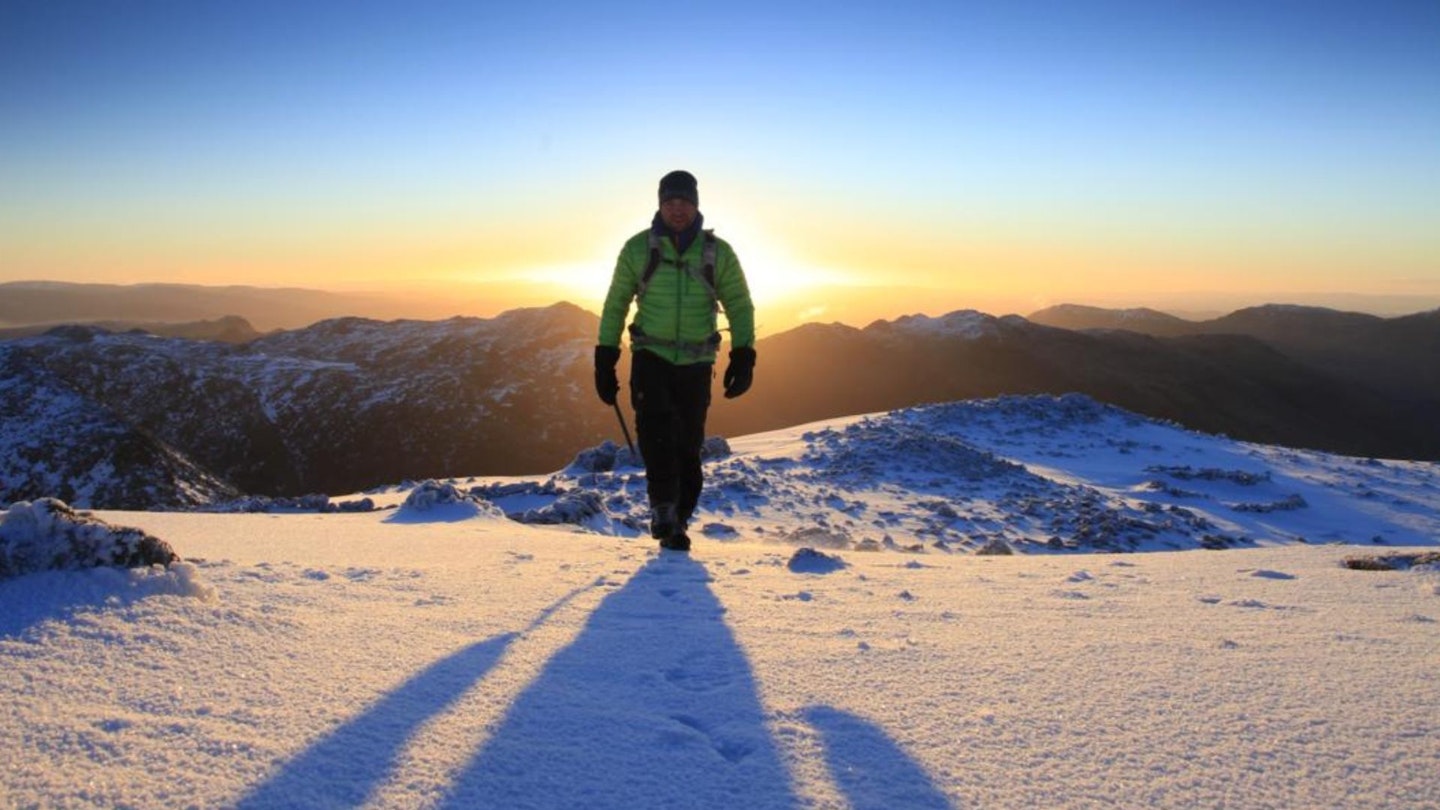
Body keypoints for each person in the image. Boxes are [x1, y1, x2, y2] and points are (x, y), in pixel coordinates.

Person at [594, 170, 756, 551]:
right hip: (651, 357)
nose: (677, 209)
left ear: (696, 205)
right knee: (656, 435)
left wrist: (744, 354)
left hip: (698, 361)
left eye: (684, 201)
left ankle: (678, 520)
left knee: (687, 444)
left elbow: (739, 303)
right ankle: (664, 509)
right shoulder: (638, 249)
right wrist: (605, 357)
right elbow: (616, 303)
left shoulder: (718, 252)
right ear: (660, 204)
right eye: (670, 202)